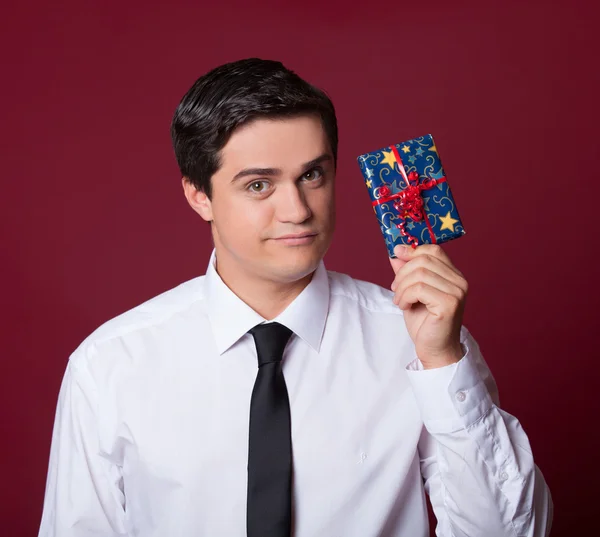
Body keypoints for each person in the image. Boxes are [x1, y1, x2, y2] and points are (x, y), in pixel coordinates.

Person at [38, 58, 553, 537]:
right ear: (199, 196)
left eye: (312, 175)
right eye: (260, 185)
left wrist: (442, 363)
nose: (298, 210)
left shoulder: (418, 340)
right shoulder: (110, 366)